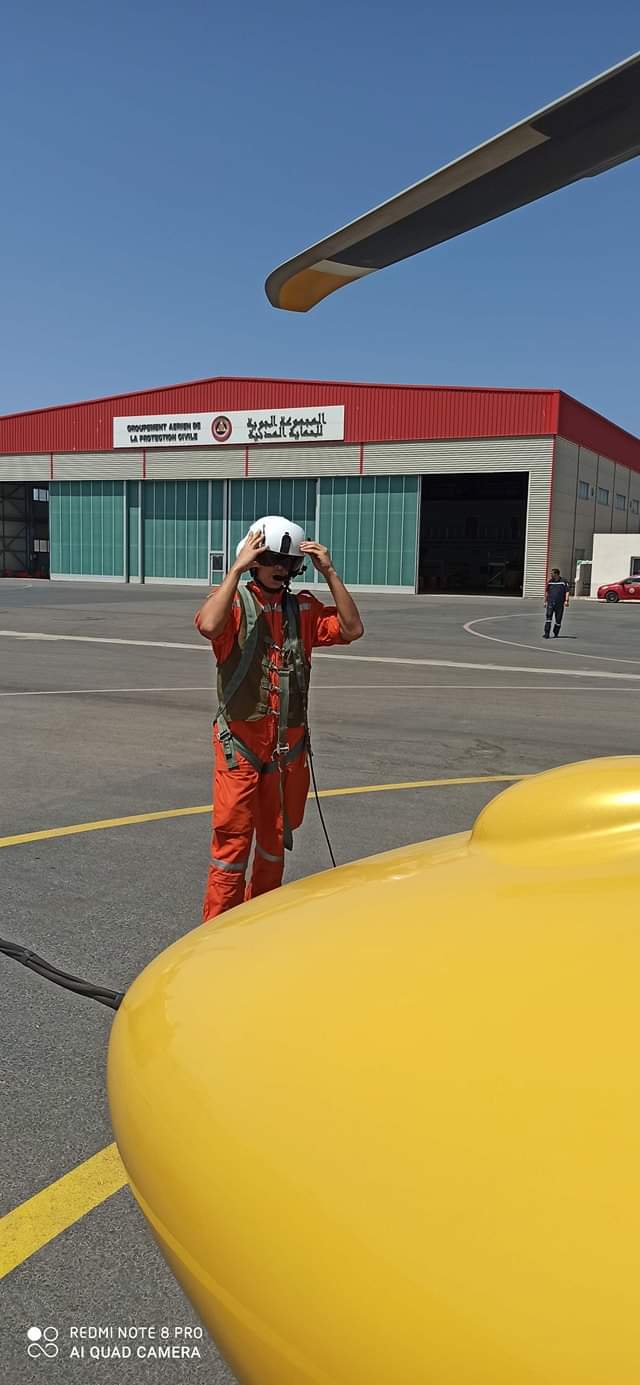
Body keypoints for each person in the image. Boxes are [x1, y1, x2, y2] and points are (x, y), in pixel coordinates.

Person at [194, 516, 364, 922]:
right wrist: (236, 569)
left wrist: (330, 572)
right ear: (254, 559)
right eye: (271, 558)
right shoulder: (234, 602)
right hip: (242, 745)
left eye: (288, 562)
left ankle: (258, 921)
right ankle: (217, 930)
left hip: (286, 749)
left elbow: (352, 628)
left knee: (274, 842)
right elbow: (209, 625)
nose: (280, 568)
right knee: (232, 842)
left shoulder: (301, 608)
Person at [544, 567, 570, 639]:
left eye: (552, 574)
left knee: (558, 619)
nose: (551, 575)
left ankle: (556, 632)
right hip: (550, 603)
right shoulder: (550, 582)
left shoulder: (563, 582)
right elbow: (547, 592)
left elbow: (567, 591)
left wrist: (566, 600)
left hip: (559, 603)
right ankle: (546, 633)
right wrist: (545, 601)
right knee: (548, 618)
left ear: (556, 574)